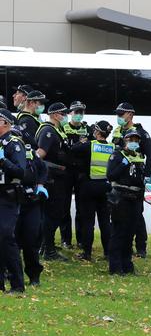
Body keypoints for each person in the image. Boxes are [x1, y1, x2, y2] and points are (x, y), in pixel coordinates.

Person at [111, 102, 151, 258]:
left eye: (121, 114)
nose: (118, 117)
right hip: (119, 179)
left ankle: (141, 247)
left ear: (130, 114)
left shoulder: (140, 133)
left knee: (137, 214)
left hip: (135, 177)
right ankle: (124, 247)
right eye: (117, 114)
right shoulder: (117, 131)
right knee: (119, 213)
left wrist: (147, 175)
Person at [69, 120, 114, 261]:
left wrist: (83, 140)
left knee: (88, 222)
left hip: (89, 187)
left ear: (98, 132)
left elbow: (73, 149)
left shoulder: (89, 145)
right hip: (106, 188)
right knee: (105, 222)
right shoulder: (113, 147)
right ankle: (108, 252)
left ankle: (87, 253)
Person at [106, 128, 146, 276]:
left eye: (136, 140)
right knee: (119, 232)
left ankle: (127, 265)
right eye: (131, 140)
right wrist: (124, 163)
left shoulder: (139, 156)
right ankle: (115, 267)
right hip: (121, 197)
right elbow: (110, 175)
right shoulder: (117, 155)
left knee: (130, 232)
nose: (133, 143)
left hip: (135, 197)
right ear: (125, 141)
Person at [12, 124, 48, 286]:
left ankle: (34, 276)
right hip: (11, 200)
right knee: (10, 240)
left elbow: (43, 168)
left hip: (31, 201)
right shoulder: (5, 153)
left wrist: (40, 184)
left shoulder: (29, 154)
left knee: (31, 239)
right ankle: (10, 273)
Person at [36, 102, 71, 261]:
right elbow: (40, 154)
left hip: (58, 178)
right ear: (56, 115)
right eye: (64, 114)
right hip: (52, 179)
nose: (66, 117)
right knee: (53, 214)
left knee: (54, 214)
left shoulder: (56, 130)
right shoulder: (48, 131)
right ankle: (48, 250)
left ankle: (45, 246)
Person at [0, 108, 27, 293]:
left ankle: (17, 284)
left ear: (5, 122)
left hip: (7, 195)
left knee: (6, 237)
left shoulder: (14, 143)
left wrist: (3, 161)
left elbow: (20, 171)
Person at [60, 101, 90, 249]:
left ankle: (81, 239)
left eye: (81, 112)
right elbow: (66, 150)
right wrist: (79, 146)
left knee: (82, 207)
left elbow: (88, 148)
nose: (78, 115)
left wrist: (76, 147)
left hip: (82, 172)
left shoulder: (87, 129)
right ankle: (65, 240)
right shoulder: (63, 128)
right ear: (70, 113)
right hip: (67, 172)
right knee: (64, 206)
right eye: (76, 112)